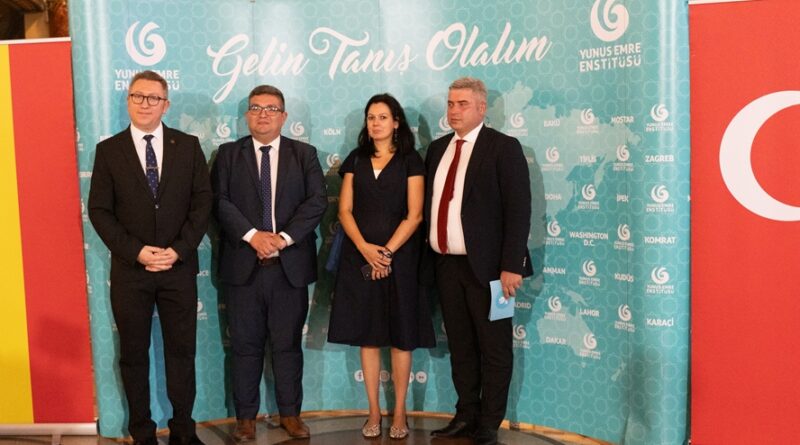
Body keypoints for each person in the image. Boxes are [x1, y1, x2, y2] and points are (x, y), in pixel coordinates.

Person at [88, 70, 212, 445]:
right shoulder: (109, 151)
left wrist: (179, 250)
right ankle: (141, 432)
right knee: (133, 355)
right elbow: (99, 211)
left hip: (178, 268)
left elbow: (202, 204)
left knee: (181, 353)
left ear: (166, 105)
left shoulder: (188, 146)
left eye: (153, 98)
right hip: (131, 272)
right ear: (128, 100)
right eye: (138, 96)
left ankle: (183, 430)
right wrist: (137, 251)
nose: (145, 104)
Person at [211, 85, 326, 441]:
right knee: (244, 347)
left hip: (288, 268)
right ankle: (245, 418)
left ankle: (290, 414)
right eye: (256, 108)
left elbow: (316, 202)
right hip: (243, 267)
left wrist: (282, 239)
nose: (263, 114)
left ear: (284, 116)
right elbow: (220, 201)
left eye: (271, 108)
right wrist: (253, 236)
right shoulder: (228, 154)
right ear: (247, 115)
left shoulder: (304, 154)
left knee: (287, 346)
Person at [425, 77, 532, 445]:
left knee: (495, 348)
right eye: (450, 103)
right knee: (461, 346)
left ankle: (489, 422)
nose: (454, 111)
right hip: (446, 266)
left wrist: (512, 266)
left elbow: (519, 210)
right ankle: (466, 414)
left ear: (482, 108)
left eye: (463, 104)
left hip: (491, 271)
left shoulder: (503, 148)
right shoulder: (437, 149)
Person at [328, 93, 435, 439]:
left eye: (383, 117)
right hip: (359, 258)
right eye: (371, 117)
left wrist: (386, 253)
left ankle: (400, 412)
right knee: (369, 337)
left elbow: (415, 215)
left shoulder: (411, 161)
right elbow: (344, 210)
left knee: (402, 338)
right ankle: (373, 411)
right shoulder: (356, 158)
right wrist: (365, 249)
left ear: (396, 122)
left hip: (401, 259)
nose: (375, 123)